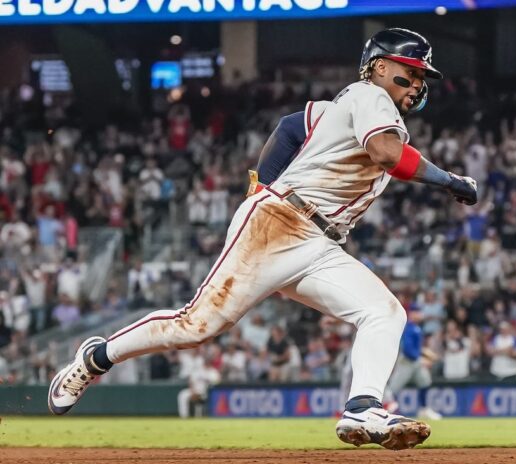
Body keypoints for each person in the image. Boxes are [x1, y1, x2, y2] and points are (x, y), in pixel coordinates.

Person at [48, 28, 477, 451]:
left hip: (320, 242)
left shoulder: (344, 108)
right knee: (195, 326)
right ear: (379, 67)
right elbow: (386, 154)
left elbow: (291, 127)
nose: (418, 83)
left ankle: (363, 408)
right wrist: (450, 180)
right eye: (411, 72)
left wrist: (263, 184)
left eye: (422, 77)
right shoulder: (371, 96)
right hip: (282, 223)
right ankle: (95, 358)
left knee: (383, 312)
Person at [386, 308, 442, 420]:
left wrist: (426, 355)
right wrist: (421, 359)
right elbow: (407, 349)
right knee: (393, 389)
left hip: (415, 362)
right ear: (412, 314)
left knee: (425, 381)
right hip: (407, 362)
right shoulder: (409, 328)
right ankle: (386, 409)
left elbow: (417, 348)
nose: (420, 314)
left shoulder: (417, 327)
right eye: (417, 312)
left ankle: (424, 409)